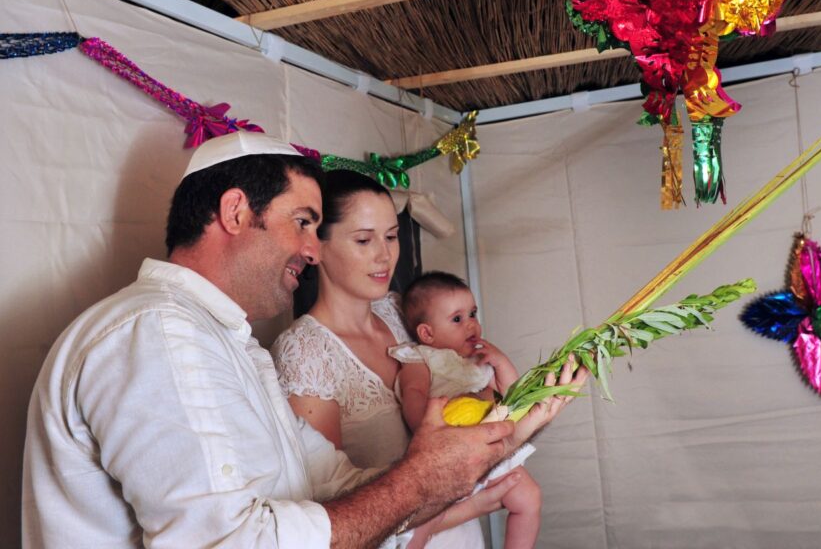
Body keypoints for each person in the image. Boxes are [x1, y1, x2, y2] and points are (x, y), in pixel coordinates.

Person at [22, 131, 583, 548]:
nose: (313, 251)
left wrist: (504, 432)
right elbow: (230, 541)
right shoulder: (158, 331)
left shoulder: (230, 342)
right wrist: (419, 482)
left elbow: (329, 482)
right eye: (304, 223)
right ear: (236, 212)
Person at [271, 170, 511, 548]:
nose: (385, 255)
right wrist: (478, 502)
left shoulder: (403, 311)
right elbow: (330, 515)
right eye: (364, 239)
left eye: (392, 236)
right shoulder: (304, 352)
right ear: (316, 245)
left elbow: (470, 382)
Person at [394, 271, 542, 549]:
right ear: (427, 333)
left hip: (489, 453)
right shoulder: (421, 358)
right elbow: (412, 394)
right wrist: (426, 428)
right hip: (446, 456)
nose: (471, 324)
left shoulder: (480, 359)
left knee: (530, 498)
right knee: (421, 521)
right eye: (457, 319)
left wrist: (501, 362)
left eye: (473, 313)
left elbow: (516, 396)